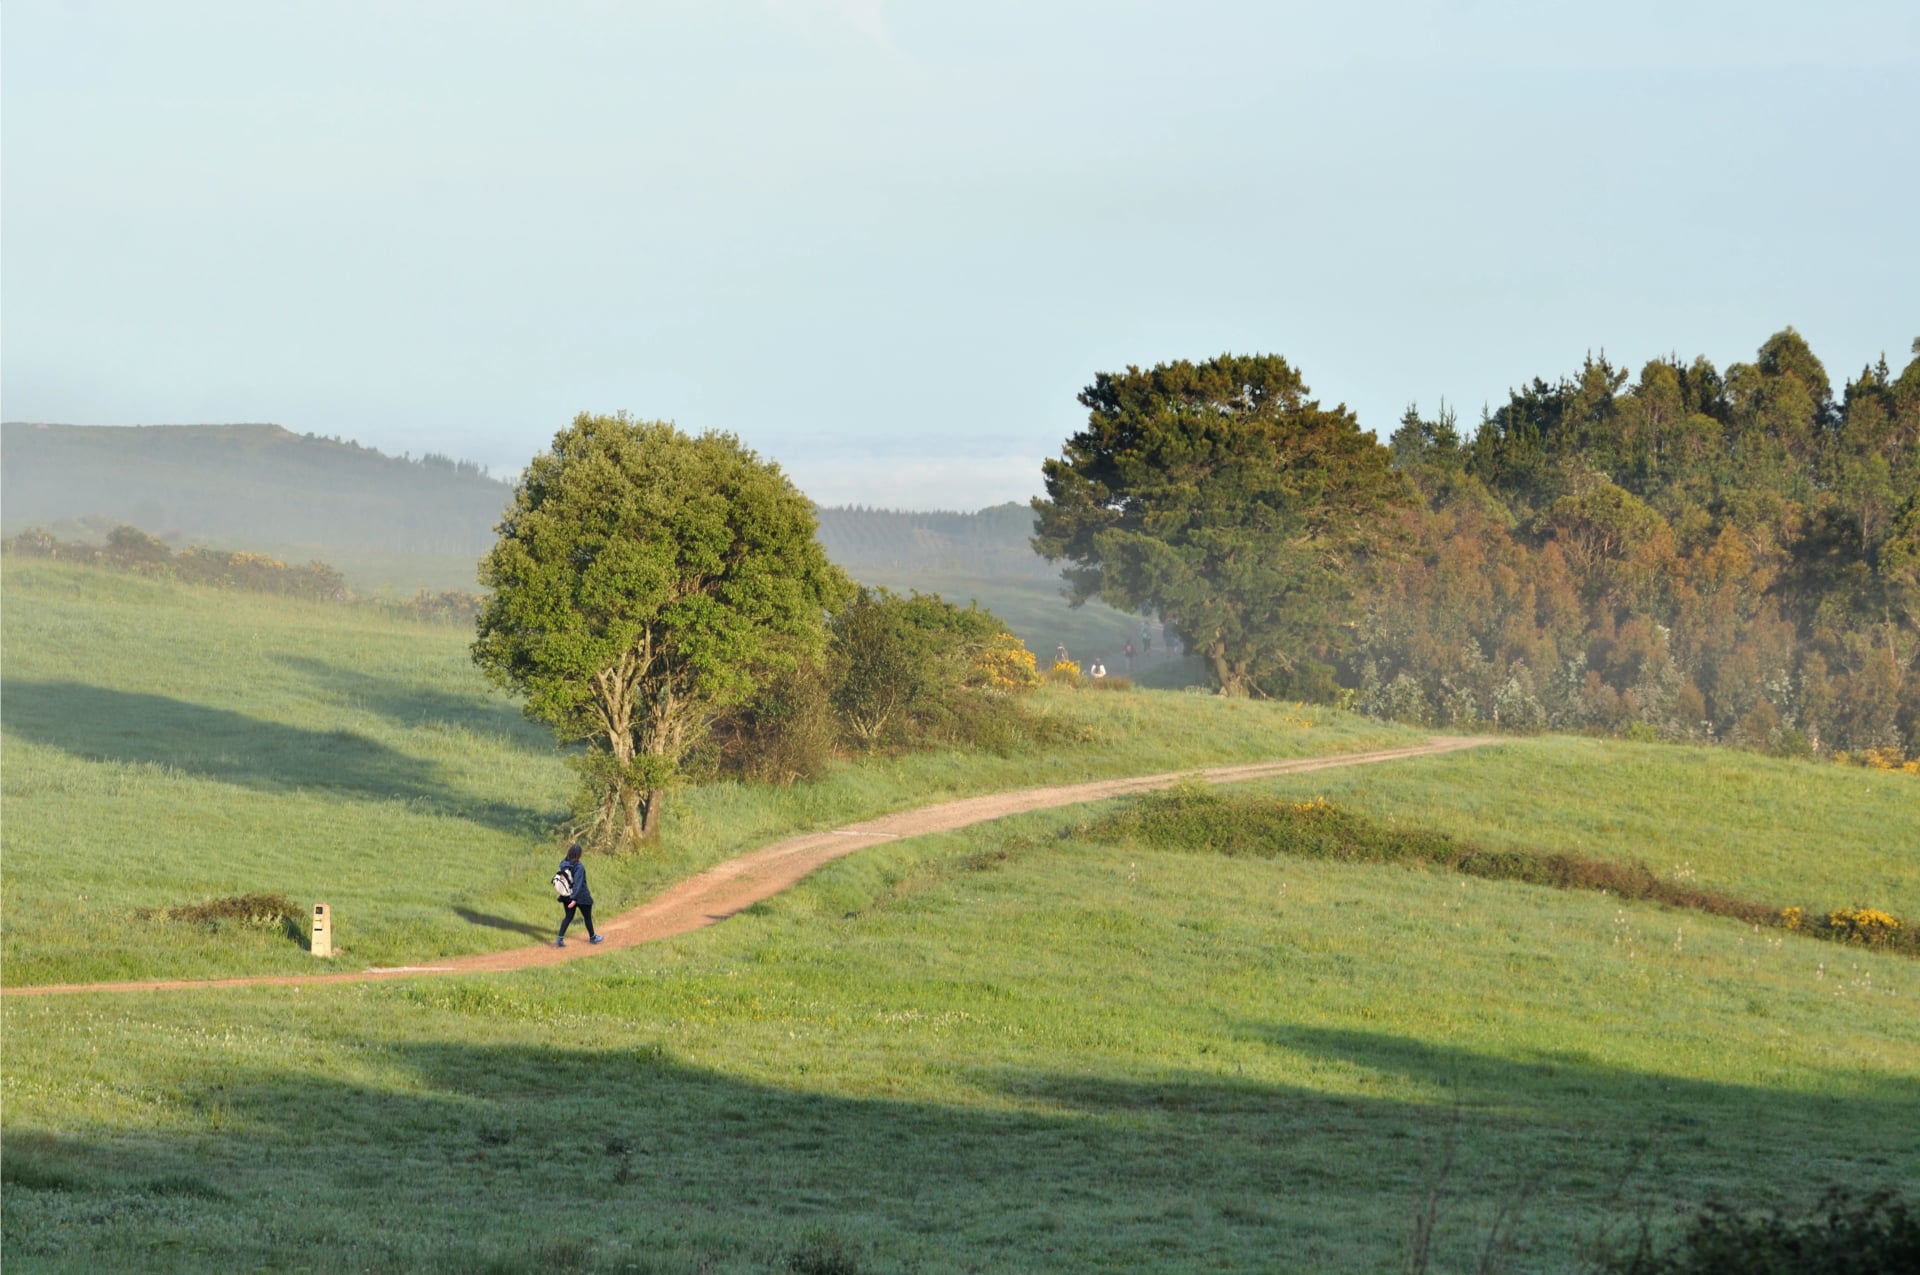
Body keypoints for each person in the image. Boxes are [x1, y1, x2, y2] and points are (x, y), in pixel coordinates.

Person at [555, 842, 603, 946]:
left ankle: (559, 939)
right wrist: (574, 899)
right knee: (587, 917)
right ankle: (593, 938)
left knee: (568, 917)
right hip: (581, 897)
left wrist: (571, 898)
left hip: (566, 896)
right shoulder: (579, 867)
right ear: (579, 854)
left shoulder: (563, 864)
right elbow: (578, 883)